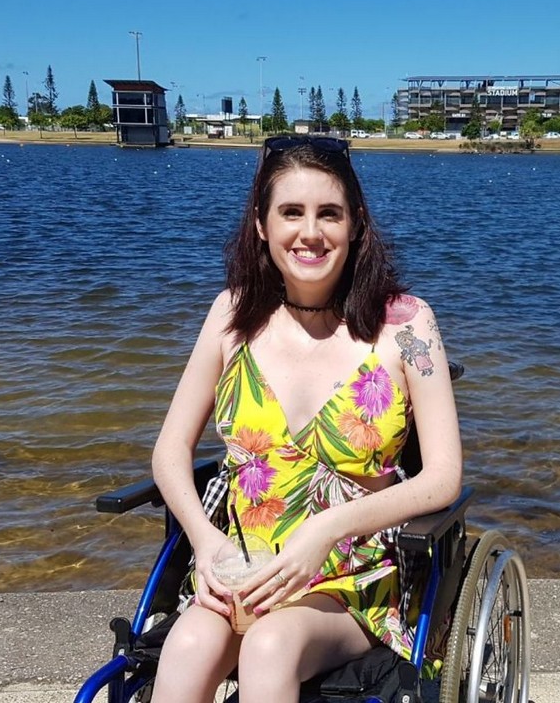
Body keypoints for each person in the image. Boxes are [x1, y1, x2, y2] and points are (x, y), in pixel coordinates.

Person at [150, 135, 462, 703]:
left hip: (350, 573)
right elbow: (170, 452)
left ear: (356, 223)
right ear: (261, 223)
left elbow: (442, 477)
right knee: (188, 644)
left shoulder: (407, 325)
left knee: (270, 647)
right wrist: (205, 539)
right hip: (244, 564)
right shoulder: (231, 315)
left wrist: (324, 529)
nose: (310, 233)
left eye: (329, 214)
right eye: (291, 212)